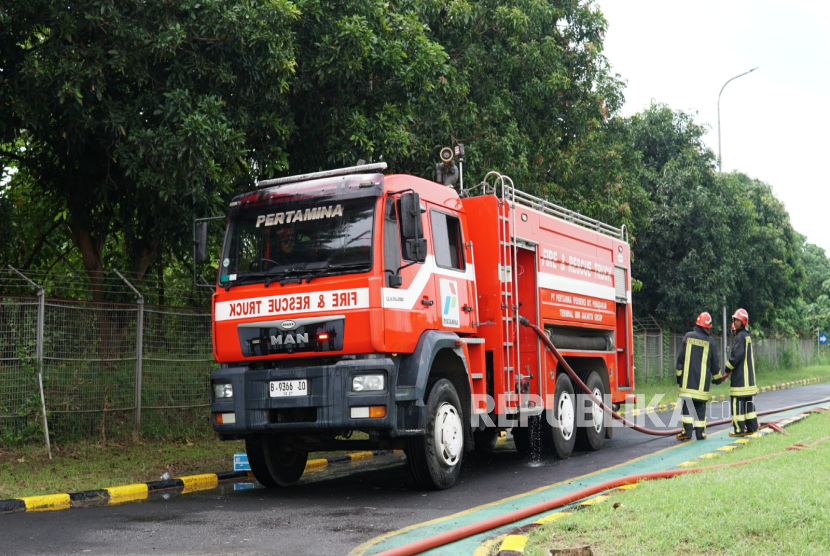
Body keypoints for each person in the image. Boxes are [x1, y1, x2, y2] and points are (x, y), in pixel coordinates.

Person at [675, 312, 720, 441]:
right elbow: (714, 363)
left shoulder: (688, 337)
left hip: (687, 385)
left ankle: (686, 432)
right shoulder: (710, 341)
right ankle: (700, 434)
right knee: (700, 409)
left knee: (687, 409)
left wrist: (679, 377)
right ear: (709, 326)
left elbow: (680, 359)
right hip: (701, 387)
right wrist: (717, 378)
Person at [713, 308, 759, 437]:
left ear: (744, 321)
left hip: (740, 380)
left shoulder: (740, 337)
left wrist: (727, 368)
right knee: (749, 406)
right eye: (735, 320)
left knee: (737, 405)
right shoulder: (747, 336)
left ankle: (739, 430)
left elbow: (735, 356)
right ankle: (752, 427)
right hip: (749, 381)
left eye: (738, 320)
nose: (736, 322)